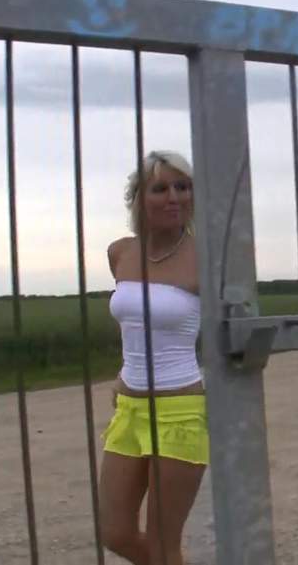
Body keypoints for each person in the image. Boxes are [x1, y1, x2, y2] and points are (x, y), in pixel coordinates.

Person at [99, 150, 207, 565]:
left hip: (180, 409)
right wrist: (124, 372)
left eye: (183, 186)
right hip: (128, 408)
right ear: (139, 199)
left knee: (164, 545)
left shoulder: (207, 256)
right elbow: (134, 319)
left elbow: (224, 331)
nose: (174, 197)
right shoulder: (120, 252)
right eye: (160, 188)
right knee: (115, 533)